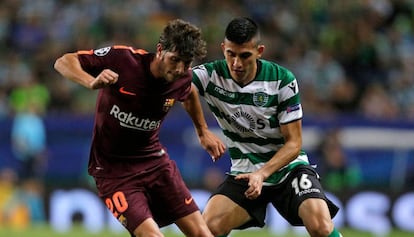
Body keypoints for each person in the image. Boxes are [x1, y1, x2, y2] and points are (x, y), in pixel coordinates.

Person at [54, 19, 224, 237]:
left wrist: (202, 132)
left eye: (187, 63)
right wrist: (90, 81)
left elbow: (189, 93)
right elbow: (63, 61)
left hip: (155, 163)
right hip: (114, 173)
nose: (180, 68)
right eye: (175, 60)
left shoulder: (182, 78)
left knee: (203, 234)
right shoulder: (123, 60)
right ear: (160, 50)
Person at [184, 17, 342, 237]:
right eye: (231, 54)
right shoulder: (210, 75)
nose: (236, 63)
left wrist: (262, 174)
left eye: (245, 55)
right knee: (207, 229)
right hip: (244, 171)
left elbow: (294, 144)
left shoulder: (281, 80)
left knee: (321, 227)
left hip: (287, 169)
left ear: (259, 51)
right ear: (223, 48)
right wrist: (202, 131)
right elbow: (182, 85)